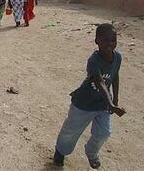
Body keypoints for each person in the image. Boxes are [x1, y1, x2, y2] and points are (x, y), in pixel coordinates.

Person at [53, 23, 126, 168]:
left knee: (104, 133)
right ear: (97, 41)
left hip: (103, 104)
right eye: (105, 40)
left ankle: (92, 152)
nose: (110, 43)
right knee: (71, 131)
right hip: (84, 103)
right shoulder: (94, 60)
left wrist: (115, 99)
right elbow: (100, 82)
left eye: (113, 40)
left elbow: (115, 77)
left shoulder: (117, 57)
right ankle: (60, 151)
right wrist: (111, 104)